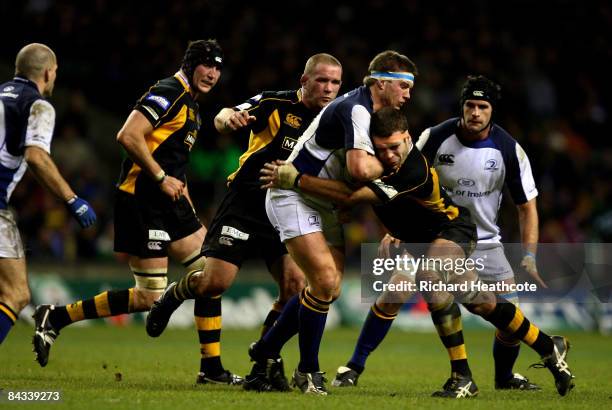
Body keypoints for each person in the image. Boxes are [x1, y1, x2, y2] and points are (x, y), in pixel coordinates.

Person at [262, 107, 575, 398]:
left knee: (429, 275)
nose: (388, 154)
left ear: (407, 138)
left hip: (450, 230)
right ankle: (549, 345)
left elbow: (352, 196)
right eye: (381, 148)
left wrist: (299, 179)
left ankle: (461, 375)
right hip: (418, 239)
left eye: (395, 146)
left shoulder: (411, 169)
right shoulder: (377, 161)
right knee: (480, 302)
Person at [31, 41, 237, 384]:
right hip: (141, 199)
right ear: (189, 64)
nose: (212, 73)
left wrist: (179, 190)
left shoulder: (191, 106)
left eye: (217, 67)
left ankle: (211, 369)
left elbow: (169, 157)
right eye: (205, 65)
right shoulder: (169, 91)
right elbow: (127, 135)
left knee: (212, 275)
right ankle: (55, 316)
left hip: (170, 201)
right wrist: (160, 177)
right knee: (148, 296)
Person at [332, 75, 547, 393]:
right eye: (470, 105)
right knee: (394, 292)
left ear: (492, 111)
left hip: (484, 241)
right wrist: (395, 231)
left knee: (509, 321)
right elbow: (401, 174)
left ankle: (504, 377)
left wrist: (529, 254)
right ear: (462, 106)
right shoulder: (435, 137)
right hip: (428, 235)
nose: (475, 112)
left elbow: (527, 207)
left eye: (482, 106)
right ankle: (354, 365)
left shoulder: (509, 150)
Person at [144, 53, 343, 389]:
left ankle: (264, 364)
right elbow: (225, 116)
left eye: (335, 82)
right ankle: (175, 294)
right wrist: (228, 119)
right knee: (214, 283)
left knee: (295, 286)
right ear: (304, 81)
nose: (328, 88)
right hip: (247, 203)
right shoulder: (274, 102)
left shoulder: (336, 120)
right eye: (321, 80)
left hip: (289, 206)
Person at [244, 50, 415, 395]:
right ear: (381, 83)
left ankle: (265, 350)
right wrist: (398, 162)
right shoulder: (357, 109)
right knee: (322, 281)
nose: (408, 95)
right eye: (404, 86)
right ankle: (307, 371)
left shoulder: (372, 112)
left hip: (323, 200)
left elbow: (358, 183)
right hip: (291, 193)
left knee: (329, 288)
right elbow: (358, 171)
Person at [0, 43, 96, 345]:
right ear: (47, 72)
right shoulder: (38, 105)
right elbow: (36, 157)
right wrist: (72, 199)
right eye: (55, 73)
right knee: (16, 294)